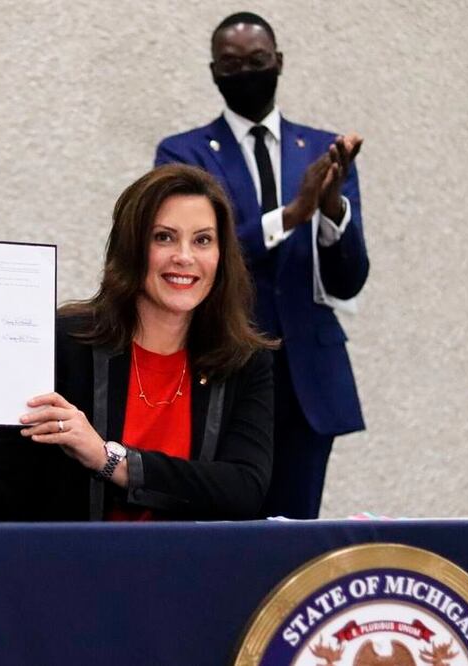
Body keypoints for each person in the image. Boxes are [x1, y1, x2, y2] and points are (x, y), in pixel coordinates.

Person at [0, 164, 277, 521]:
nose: (185, 257)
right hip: (71, 573)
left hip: (190, 573)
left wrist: (108, 458)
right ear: (131, 247)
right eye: (164, 238)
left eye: (202, 240)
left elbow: (243, 490)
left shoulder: (244, 361)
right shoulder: (61, 344)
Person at [154, 12, 369, 519]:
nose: (246, 72)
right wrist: (293, 213)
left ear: (279, 62)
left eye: (258, 60)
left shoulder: (322, 151)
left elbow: (349, 279)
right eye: (231, 64)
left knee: (295, 532)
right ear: (214, 72)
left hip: (306, 377)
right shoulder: (184, 153)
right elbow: (195, 255)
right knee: (224, 526)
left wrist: (330, 211)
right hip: (222, 363)